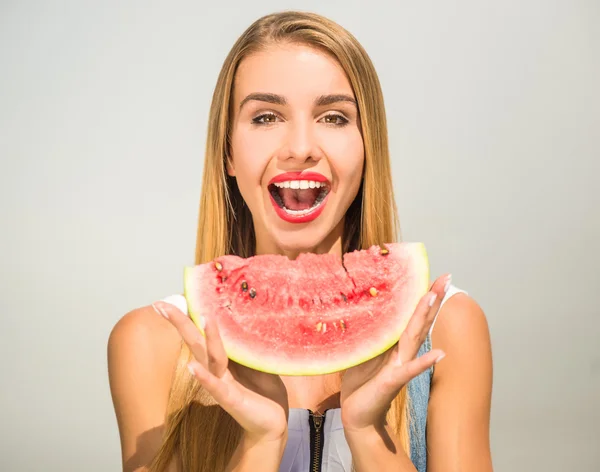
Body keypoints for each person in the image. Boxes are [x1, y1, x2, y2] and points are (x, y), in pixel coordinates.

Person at [107, 10, 493, 472]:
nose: (301, 146)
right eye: (266, 116)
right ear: (228, 152)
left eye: (333, 117)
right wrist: (259, 442)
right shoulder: (151, 344)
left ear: (368, 147)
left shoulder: (447, 328)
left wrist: (368, 435)